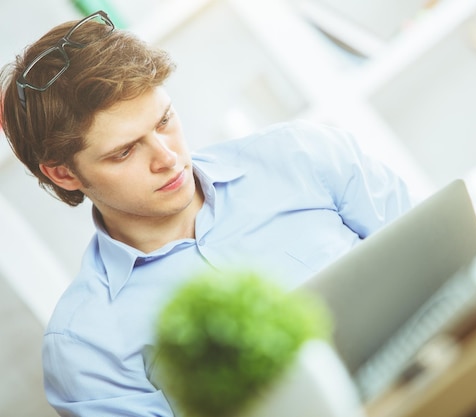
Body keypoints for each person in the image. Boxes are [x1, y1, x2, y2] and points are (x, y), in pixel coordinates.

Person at [0, 10, 414, 417]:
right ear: (64, 173)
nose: (166, 157)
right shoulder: (83, 345)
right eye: (124, 151)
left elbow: (444, 265)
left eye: (164, 121)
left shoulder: (303, 156)